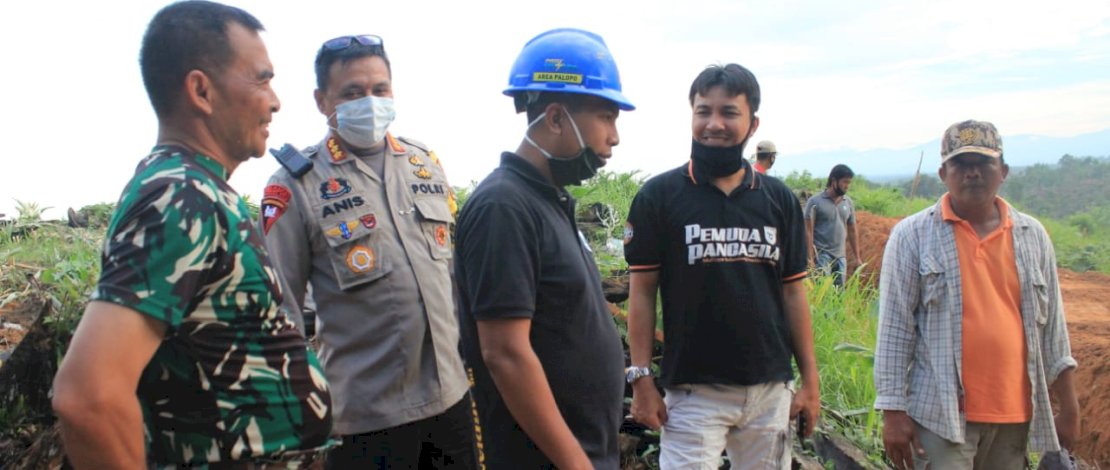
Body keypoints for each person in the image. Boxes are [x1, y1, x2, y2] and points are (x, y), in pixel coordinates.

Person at [51, 2, 334, 468]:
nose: (276, 99)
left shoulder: (192, 188)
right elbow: (88, 395)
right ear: (202, 90)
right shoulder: (180, 197)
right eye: (262, 78)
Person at [260, 34, 476, 469]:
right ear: (322, 101)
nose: (370, 101)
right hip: (364, 420)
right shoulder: (295, 185)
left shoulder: (424, 164)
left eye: (380, 90)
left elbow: (453, 276)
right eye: (353, 93)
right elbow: (277, 313)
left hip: (450, 398)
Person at [624, 63, 820, 470]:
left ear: (752, 123)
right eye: (703, 111)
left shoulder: (778, 200)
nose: (714, 124)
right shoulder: (658, 197)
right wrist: (641, 378)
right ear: (691, 115)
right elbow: (642, 294)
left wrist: (810, 383)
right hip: (694, 393)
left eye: (729, 112)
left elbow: (792, 293)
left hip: (770, 392)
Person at [453, 28, 634, 470]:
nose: (614, 137)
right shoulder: (504, 207)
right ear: (555, 118)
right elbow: (505, 353)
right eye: (606, 117)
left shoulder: (547, 200)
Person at [874, 120, 1080, 470]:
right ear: (943, 173)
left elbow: (1053, 332)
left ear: (1003, 171)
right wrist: (893, 413)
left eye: (983, 163)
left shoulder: (1033, 236)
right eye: (960, 164)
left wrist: (1070, 408)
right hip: (940, 416)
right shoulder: (912, 237)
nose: (972, 174)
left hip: (1014, 417)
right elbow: (895, 331)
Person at [804, 164, 862, 287]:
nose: (847, 186)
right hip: (821, 256)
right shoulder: (815, 202)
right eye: (844, 182)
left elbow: (852, 230)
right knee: (822, 292)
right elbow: (808, 231)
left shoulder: (848, 202)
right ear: (834, 180)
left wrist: (857, 257)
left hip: (841, 256)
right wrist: (810, 259)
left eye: (849, 182)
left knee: (839, 294)